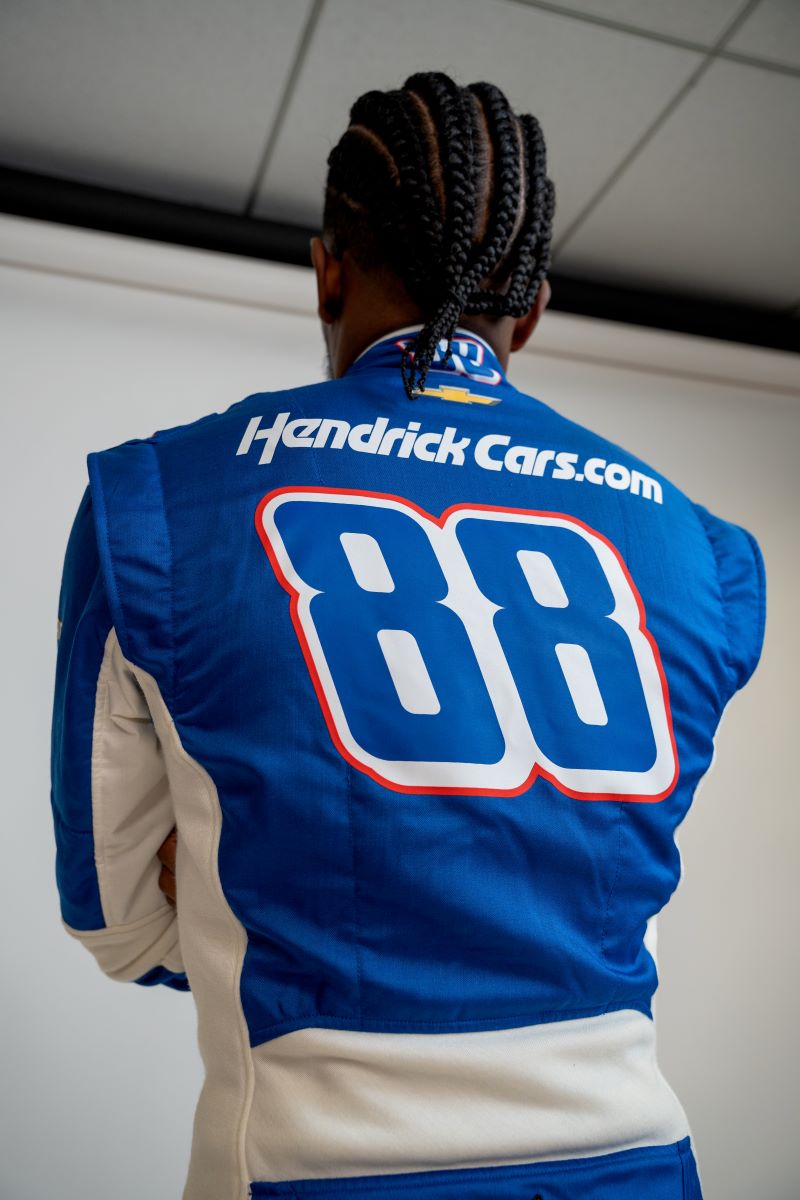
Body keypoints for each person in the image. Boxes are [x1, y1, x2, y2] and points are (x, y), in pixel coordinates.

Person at [50, 71, 765, 1200]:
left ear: (327, 271)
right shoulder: (697, 547)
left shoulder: (155, 502)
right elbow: (607, 858)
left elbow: (119, 919)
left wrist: (270, 879)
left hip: (316, 1167)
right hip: (634, 1163)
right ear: (532, 311)